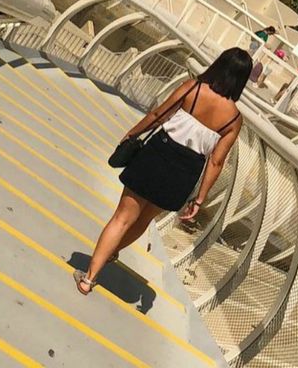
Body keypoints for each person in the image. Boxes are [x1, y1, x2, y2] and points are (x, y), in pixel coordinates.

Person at [76, 47, 249, 295]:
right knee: (143, 220)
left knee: (122, 217)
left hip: (157, 154)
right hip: (185, 171)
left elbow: (158, 115)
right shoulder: (233, 119)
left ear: (219, 65)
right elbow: (216, 162)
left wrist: (133, 133)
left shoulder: (193, 88)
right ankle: (112, 252)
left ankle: (89, 278)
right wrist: (200, 199)